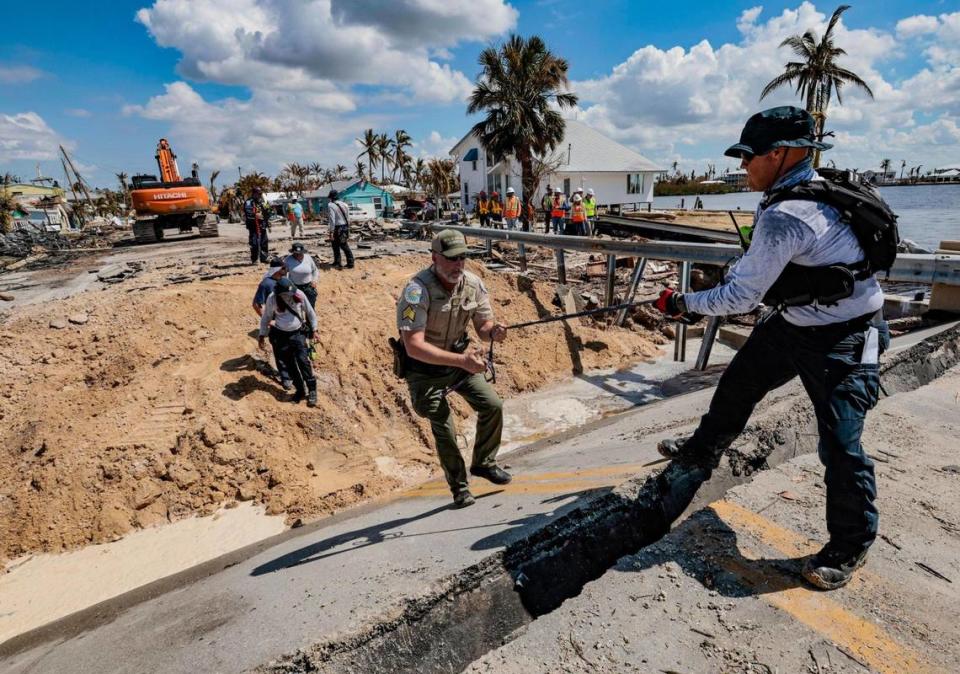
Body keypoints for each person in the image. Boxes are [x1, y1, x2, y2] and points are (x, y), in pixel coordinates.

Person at [653, 106, 890, 591]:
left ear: (780, 154)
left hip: (846, 336)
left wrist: (682, 302)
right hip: (794, 322)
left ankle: (850, 543)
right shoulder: (799, 193)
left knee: (842, 443)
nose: (743, 167)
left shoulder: (788, 215)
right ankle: (702, 452)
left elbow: (740, 298)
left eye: (749, 157)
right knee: (738, 386)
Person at [396, 230, 511, 508]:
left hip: (460, 361)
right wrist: (462, 361)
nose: (457, 265)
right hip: (424, 369)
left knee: (493, 405)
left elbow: (483, 328)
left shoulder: (473, 284)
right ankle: (459, 487)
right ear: (435, 258)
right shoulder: (416, 290)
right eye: (450, 259)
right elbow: (413, 346)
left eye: (462, 258)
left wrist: (493, 332)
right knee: (444, 426)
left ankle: (483, 462)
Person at [258, 278, 318, 406]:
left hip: (298, 334)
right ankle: (300, 390)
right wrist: (262, 335)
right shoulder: (272, 299)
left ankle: (312, 390)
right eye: (286, 293)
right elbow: (266, 317)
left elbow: (310, 312)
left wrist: (315, 329)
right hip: (281, 336)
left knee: (303, 362)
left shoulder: (299, 294)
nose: (290, 294)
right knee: (290, 365)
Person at [252, 258, 293, 390]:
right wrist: (268, 320)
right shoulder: (266, 284)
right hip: (277, 326)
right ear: (277, 270)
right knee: (280, 352)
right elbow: (256, 304)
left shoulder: (285, 281)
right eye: (283, 267)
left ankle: (293, 373)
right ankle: (285, 377)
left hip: (290, 322)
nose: (286, 269)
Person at [285, 242, 319, 308]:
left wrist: (314, 280)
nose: (298, 255)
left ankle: (309, 318)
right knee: (295, 307)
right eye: (296, 254)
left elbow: (315, 270)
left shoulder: (308, 258)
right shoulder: (288, 260)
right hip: (295, 287)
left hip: (308, 286)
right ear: (293, 253)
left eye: (300, 253)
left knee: (310, 306)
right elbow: (283, 274)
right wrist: (288, 285)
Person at [327, 189, 354, 269]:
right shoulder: (344, 204)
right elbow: (348, 218)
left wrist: (331, 231)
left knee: (338, 245)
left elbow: (332, 219)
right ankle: (348, 262)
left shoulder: (330, 205)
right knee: (343, 245)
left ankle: (340, 262)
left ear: (331, 197)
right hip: (345, 226)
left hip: (337, 227)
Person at [243, 187, 270, 264]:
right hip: (253, 225)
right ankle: (255, 259)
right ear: (254, 193)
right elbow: (248, 213)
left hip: (262, 225)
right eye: (258, 194)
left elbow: (268, 210)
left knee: (264, 242)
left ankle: (264, 257)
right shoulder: (249, 202)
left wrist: (267, 206)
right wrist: (255, 215)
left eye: (260, 193)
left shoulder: (262, 201)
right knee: (254, 243)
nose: (260, 195)